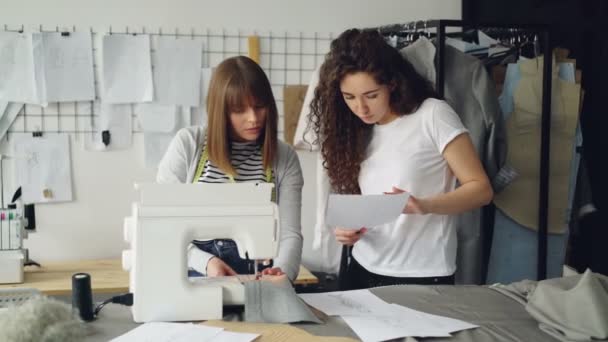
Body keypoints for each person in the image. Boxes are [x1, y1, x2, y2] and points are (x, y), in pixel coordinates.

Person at [308, 29, 494, 289]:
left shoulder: (433, 115)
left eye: (371, 95)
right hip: (363, 266)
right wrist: (349, 229)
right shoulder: (355, 129)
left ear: (392, 83)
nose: (361, 108)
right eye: (349, 97)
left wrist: (424, 205)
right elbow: (369, 200)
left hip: (423, 273)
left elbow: (481, 190)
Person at [157, 56, 304, 282]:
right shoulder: (188, 144)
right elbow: (163, 224)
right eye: (239, 110)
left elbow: (289, 234)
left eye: (259, 106)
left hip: (259, 275)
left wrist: (282, 272)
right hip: (196, 271)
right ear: (220, 110)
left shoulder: (284, 157)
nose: (253, 118)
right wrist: (206, 263)